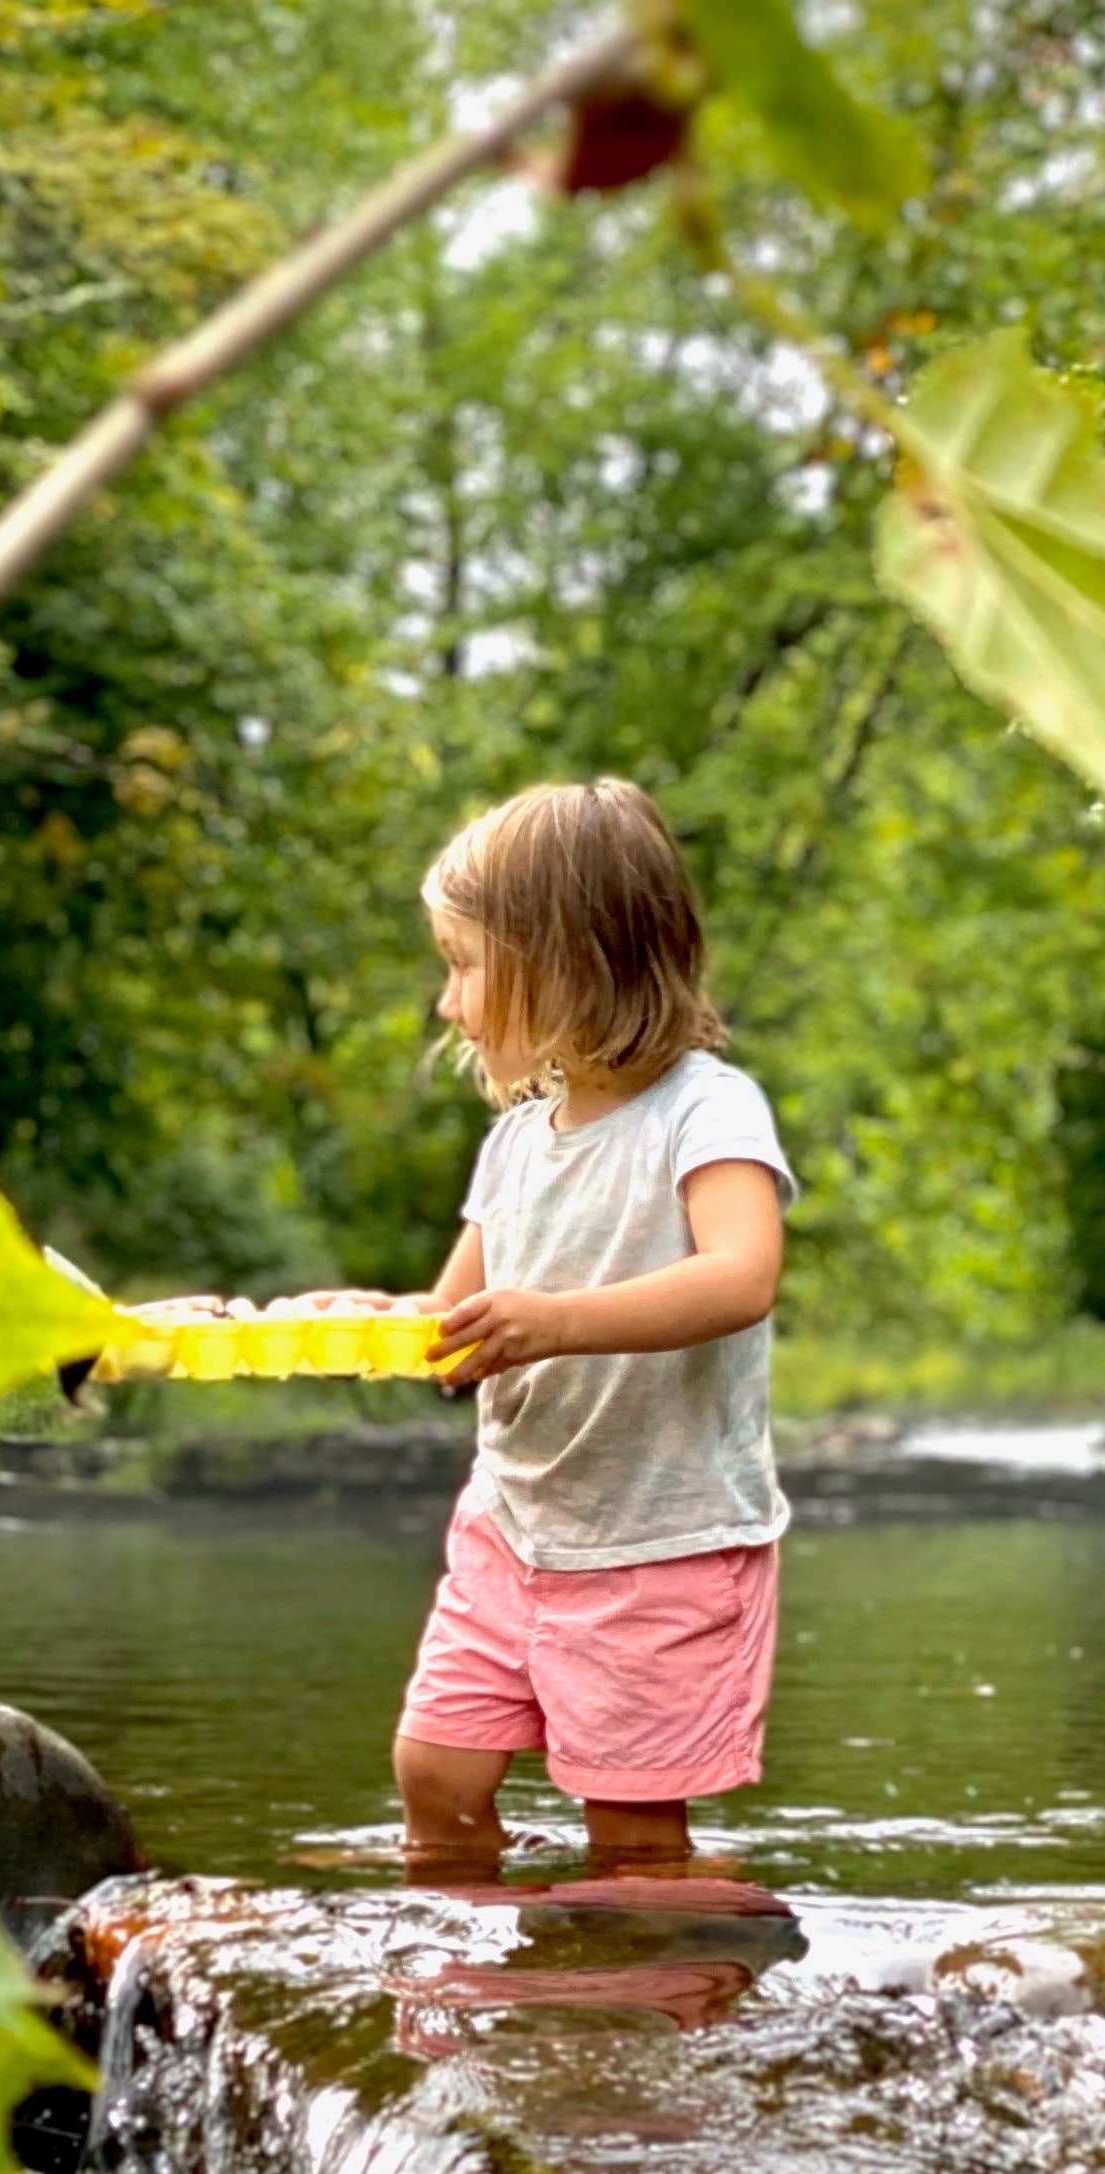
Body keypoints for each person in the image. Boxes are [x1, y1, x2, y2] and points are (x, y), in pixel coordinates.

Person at [393, 778, 793, 1872]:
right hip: (511, 1528)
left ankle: (649, 2009)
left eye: (464, 964)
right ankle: (489, 1992)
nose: (446, 1001)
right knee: (435, 1776)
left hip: (658, 1543)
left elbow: (741, 1274)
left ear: (568, 961)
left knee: (628, 1834)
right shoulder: (517, 1142)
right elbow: (447, 1320)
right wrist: (313, 1324)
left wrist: (555, 1322)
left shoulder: (707, 1111)